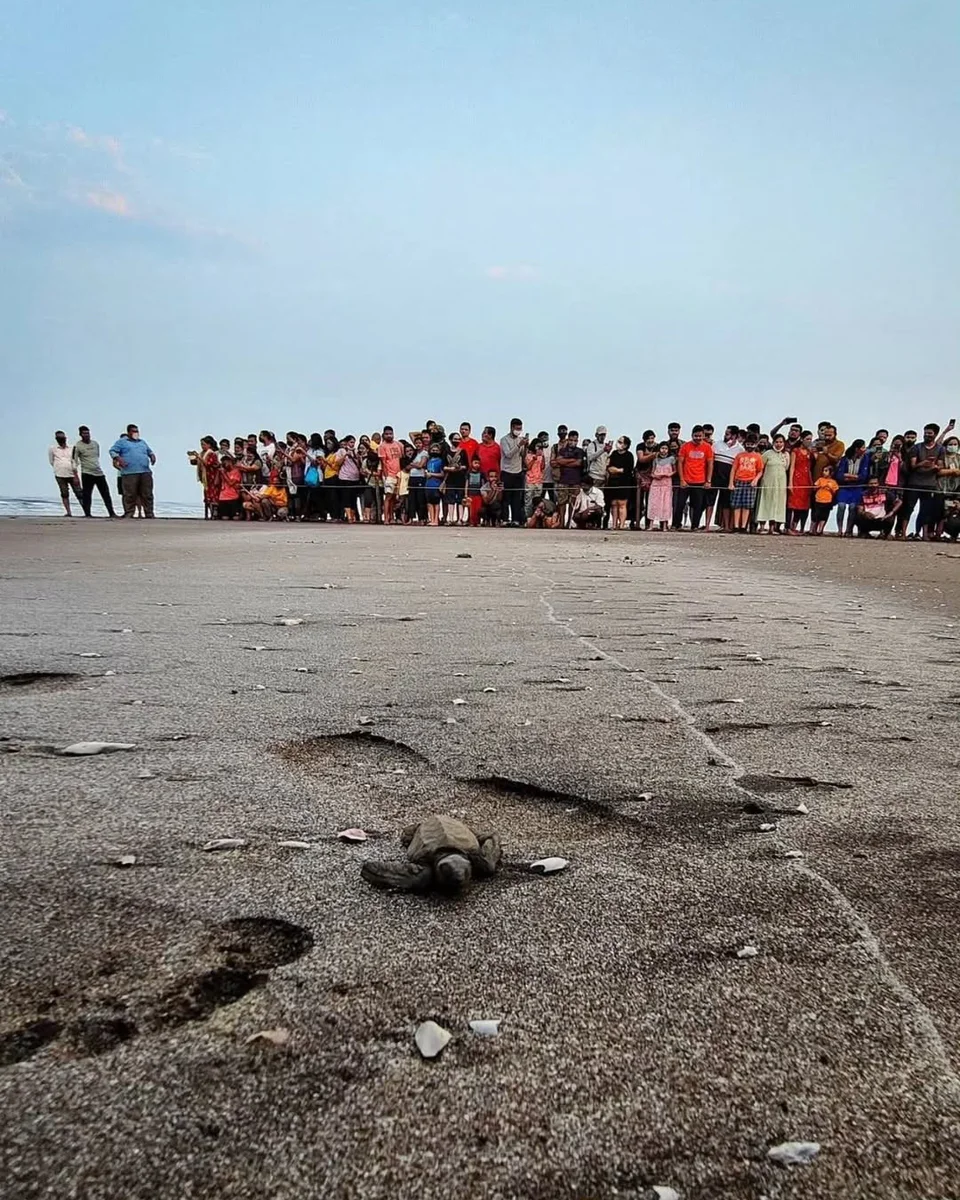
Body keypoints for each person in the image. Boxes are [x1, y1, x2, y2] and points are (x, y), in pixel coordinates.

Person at [109, 424, 156, 518]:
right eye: (133, 431)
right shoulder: (122, 442)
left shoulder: (142, 442)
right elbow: (112, 451)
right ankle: (129, 513)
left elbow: (149, 450)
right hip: (129, 472)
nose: (136, 433)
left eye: (137, 431)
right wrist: (119, 458)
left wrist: (152, 455)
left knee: (147, 494)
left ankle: (149, 513)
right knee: (130, 494)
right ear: (129, 432)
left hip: (144, 471)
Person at [71, 426, 117, 518]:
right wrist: (75, 475)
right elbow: (74, 461)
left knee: (106, 493)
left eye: (88, 433)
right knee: (87, 494)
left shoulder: (95, 444)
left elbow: (97, 456)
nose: (87, 435)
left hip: (98, 472)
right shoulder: (78, 446)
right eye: (84, 433)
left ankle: (111, 513)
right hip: (87, 473)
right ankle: (87, 513)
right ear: (80, 435)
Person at [676, 426, 714, 530]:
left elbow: (710, 464)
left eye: (700, 436)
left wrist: (708, 481)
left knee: (697, 505)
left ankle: (695, 526)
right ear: (692, 435)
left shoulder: (707, 447)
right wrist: (682, 479)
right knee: (680, 504)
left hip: (700, 480)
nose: (697, 438)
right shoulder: (685, 446)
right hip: (686, 480)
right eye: (695, 436)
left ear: (703, 436)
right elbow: (680, 463)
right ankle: (676, 524)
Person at [755, 433, 789, 533]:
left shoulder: (786, 455)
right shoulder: (767, 453)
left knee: (777, 503)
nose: (779, 444)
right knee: (765, 502)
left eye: (781, 442)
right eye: (777, 442)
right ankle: (761, 527)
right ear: (773, 442)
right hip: (768, 482)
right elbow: (761, 467)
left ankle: (772, 527)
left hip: (781, 483)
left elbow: (786, 468)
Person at [729, 437, 765, 532]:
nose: (749, 446)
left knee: (747, 506)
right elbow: (733, 469)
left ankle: (744, 526)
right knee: (736, 505)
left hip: (750, 483)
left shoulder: (757, 456)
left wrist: (756, 480)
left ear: (755, 444)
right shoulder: (739, 455)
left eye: (752, 444)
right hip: (738, 481)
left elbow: (760, 471)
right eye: (748, 444)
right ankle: (736, 526)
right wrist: (731, 483)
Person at [711, 426, 742, 531]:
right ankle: (707, 526)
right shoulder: (716, 444)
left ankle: (727, 526)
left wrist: (732, 482)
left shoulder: (740, 449)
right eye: (725, 433)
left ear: (735, 436)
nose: (725, 435)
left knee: (726, 503)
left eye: (728, 434)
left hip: (728, 480)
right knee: (710, 501)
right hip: (714, 478)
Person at [834, 439, 868, 537]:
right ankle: (839, 529)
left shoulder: (865, 459)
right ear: (857, 449)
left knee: (853, 507)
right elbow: (839, 475)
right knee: (841, 506)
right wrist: (854, 477)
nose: (864, 449)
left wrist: (848, 476)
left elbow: (863, 476)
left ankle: (848, 529)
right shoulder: (845, 459)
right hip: (845, 487)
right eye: (862, 447)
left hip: (857, 488)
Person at [552, 430, 585, 527]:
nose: (572, 442)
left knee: (573, 503)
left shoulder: (580, 451)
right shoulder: (562, 450)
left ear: (577, 440)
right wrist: (572, 460)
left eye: (575, 440)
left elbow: (578, 463)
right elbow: (558, 461)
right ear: (568, 439)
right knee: (562, 502)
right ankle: (561, 522)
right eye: (571, 440)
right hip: (563, 479)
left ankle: (569, 522)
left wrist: (565, 462)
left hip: (575, 480)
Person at [499, 418, 528, 527]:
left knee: (517, 497)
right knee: (506, 497)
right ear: (511, 427)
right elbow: (508, 454)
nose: (518, 430)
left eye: (520, 429)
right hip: (506, 471)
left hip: (518, 472)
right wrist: (519, 445)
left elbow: (522, 456)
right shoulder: (504, 440)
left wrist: (525, 446)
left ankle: (516, 519)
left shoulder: (520, 440)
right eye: (517, 428)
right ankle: (505, 519)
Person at [786, 432, 815, 534]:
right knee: (792, 504)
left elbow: (810, 469)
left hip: (806, 480)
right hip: (796, 479)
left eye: (811, 439)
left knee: (803, 505)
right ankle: (788, 527)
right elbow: (792, 467)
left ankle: (796, 526)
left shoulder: (809, 453)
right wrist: (790, 482)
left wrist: (811, 482)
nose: (809, 441)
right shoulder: (795, 451)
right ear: (802, 439)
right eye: (807, 439)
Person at [49, 430, 82, 516]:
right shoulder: (53, 449)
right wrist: (58, 467)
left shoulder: (72, 448)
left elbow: (75, 461)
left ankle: (86, 511)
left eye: (62, 437)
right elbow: (51, 461)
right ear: (56, 439)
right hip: (59, 474)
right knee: (64, 493)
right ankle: (68, 512)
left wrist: (75, 474)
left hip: (72, 473)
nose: (61, 439)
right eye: (59, 438)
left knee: (79, 492)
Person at [605, 437, 634, 530]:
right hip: (613, 482)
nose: (618, 443)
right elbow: (609, 467)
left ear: (625, 445)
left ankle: (621, 525)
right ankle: (613, 524)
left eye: (620, 442)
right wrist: (616, 470)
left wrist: (617, 470)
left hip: (624, 482)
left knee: (622, 504)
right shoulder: (614, 454)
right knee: (614, 504)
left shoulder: (629, 455)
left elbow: (628, 470)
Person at [377, 426, 404, 525]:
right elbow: (383, 462)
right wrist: (386, 475)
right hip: (389, 474)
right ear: (384, 435)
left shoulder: (399, 445)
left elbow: (402, 458)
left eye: (391, 434)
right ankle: (386, 518)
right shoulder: (382, 446)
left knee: (394, 497)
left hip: (398, 473)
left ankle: (392, 517)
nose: (389, 435)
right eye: (387, 434)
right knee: (388, 496)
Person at [647, 442, 676, 531]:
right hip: (656, 484)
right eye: (662, 448)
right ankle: (651, 525)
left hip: (666, 484)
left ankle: (664, 526)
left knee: (665, 504)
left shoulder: (672, 459)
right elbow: (652, 472)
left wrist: (668, 474)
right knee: (654, 503)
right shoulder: (655, 459)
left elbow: (675, 470)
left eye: (666, 448)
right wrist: (655, 476)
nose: (664, 450)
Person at [633, 431, 658, 529]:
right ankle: (636, 522)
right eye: (648, 438)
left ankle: (648, 524)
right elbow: (641, 459)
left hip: (652, 475)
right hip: (640, 474)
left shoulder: (658, 446)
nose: (650, 440)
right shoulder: (640, 446)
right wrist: (652, 455)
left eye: (652, 438)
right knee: (637, 501)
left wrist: (649, 455)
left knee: (650, 501)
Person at [442, 433, 468, 525]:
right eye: (455, 439)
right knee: (450, 500)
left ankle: (460, 519)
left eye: (458, 439)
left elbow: (466, 466)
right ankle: (451, 519)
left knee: (460, 500)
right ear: (450, 439)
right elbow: (443, 467)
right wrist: (451, 469)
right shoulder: (446, 452)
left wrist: (459, 468)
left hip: (460, 479)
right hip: (449, 479)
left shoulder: (463, 452)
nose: (457, 441)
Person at [193, 435, 221, 520]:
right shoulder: (202, 453)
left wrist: (199, 458)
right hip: (205, 478)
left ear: (209, 445)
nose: (202, 446)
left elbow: (208, 464)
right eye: (201, 444)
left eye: (204, 444)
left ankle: (214, 513)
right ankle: (210, 513)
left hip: (211, 477)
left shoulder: (211, 453)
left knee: (213, 496)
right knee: (207, 495)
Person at [810, 465, 839, 535]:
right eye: (823, 471)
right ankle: (812, 529)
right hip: (818, 500)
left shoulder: (833, 482)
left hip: (827, 501)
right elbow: (814, 488)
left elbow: (835, 492)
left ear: (831, 473)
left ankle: (820, 530)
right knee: (816, 515)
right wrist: (818, 486)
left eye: (826, 471)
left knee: (824, 516)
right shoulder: (820, 480)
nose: (824, 472)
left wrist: (830, 488)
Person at [523, 439, 546, 520]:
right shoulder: (528, 455)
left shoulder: (541, 456)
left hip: (539, 480)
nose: (539, 448)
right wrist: (534, 458)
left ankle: (536, 518)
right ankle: (528, 518)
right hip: (530, 480)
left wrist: (542, 456)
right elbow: (528, 467)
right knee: (528, 500)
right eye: (537, 446)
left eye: (540, 446)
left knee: (537, 501)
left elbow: (542, 467)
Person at [217, 455, 244, 519]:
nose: (224, 465)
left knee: (235, 517)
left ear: (229, 462)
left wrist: (223, 473)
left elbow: (230, 483)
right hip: (223, 497)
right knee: (224, 517)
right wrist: (219, 473)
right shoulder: (223, 472)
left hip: (233, 497)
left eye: (225, 463)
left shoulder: (236, 472)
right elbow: (216, 482)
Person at [425, 443, 445, 526]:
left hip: (436, 484)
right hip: (428, 484)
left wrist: (432, 475)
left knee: (436, 503)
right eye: (433, 450)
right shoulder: (428, 461)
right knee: (429, 503)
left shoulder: (440, 461)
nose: (435, 451)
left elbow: (442, 474)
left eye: (436, 450)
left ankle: (436, 519)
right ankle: (431, 519)